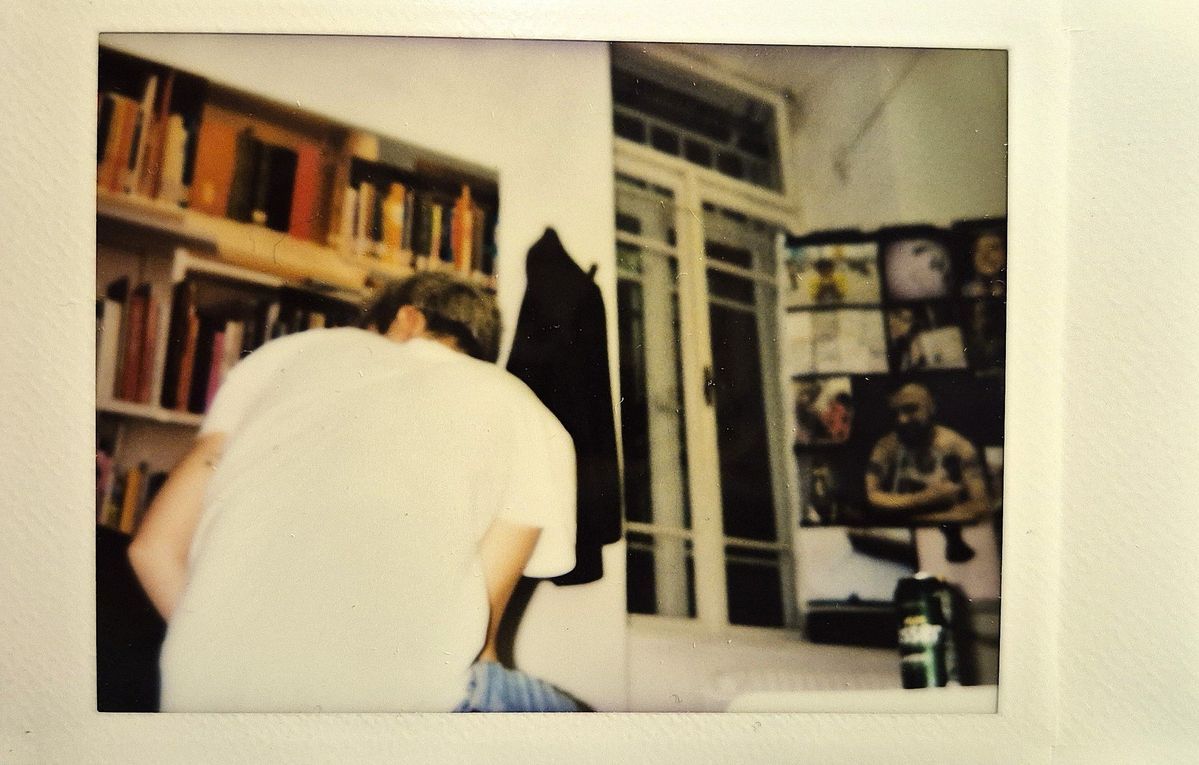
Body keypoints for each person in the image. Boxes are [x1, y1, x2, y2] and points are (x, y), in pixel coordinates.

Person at [128, 272, 581, 712]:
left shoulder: (282, 355)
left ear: (407, 319)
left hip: (204, 695)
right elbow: (479, 647)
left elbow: (152, 550)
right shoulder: (522, 410)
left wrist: (233, 656)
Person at [863, 383, 990, 562]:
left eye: (910, 409)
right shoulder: (886, 446)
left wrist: (916, 515)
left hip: (942, 544)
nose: (902, 419)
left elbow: (980, 506)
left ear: (931, 407)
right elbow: (872, 495)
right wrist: (926, 498)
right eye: (897, 412)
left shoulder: (959, 447)